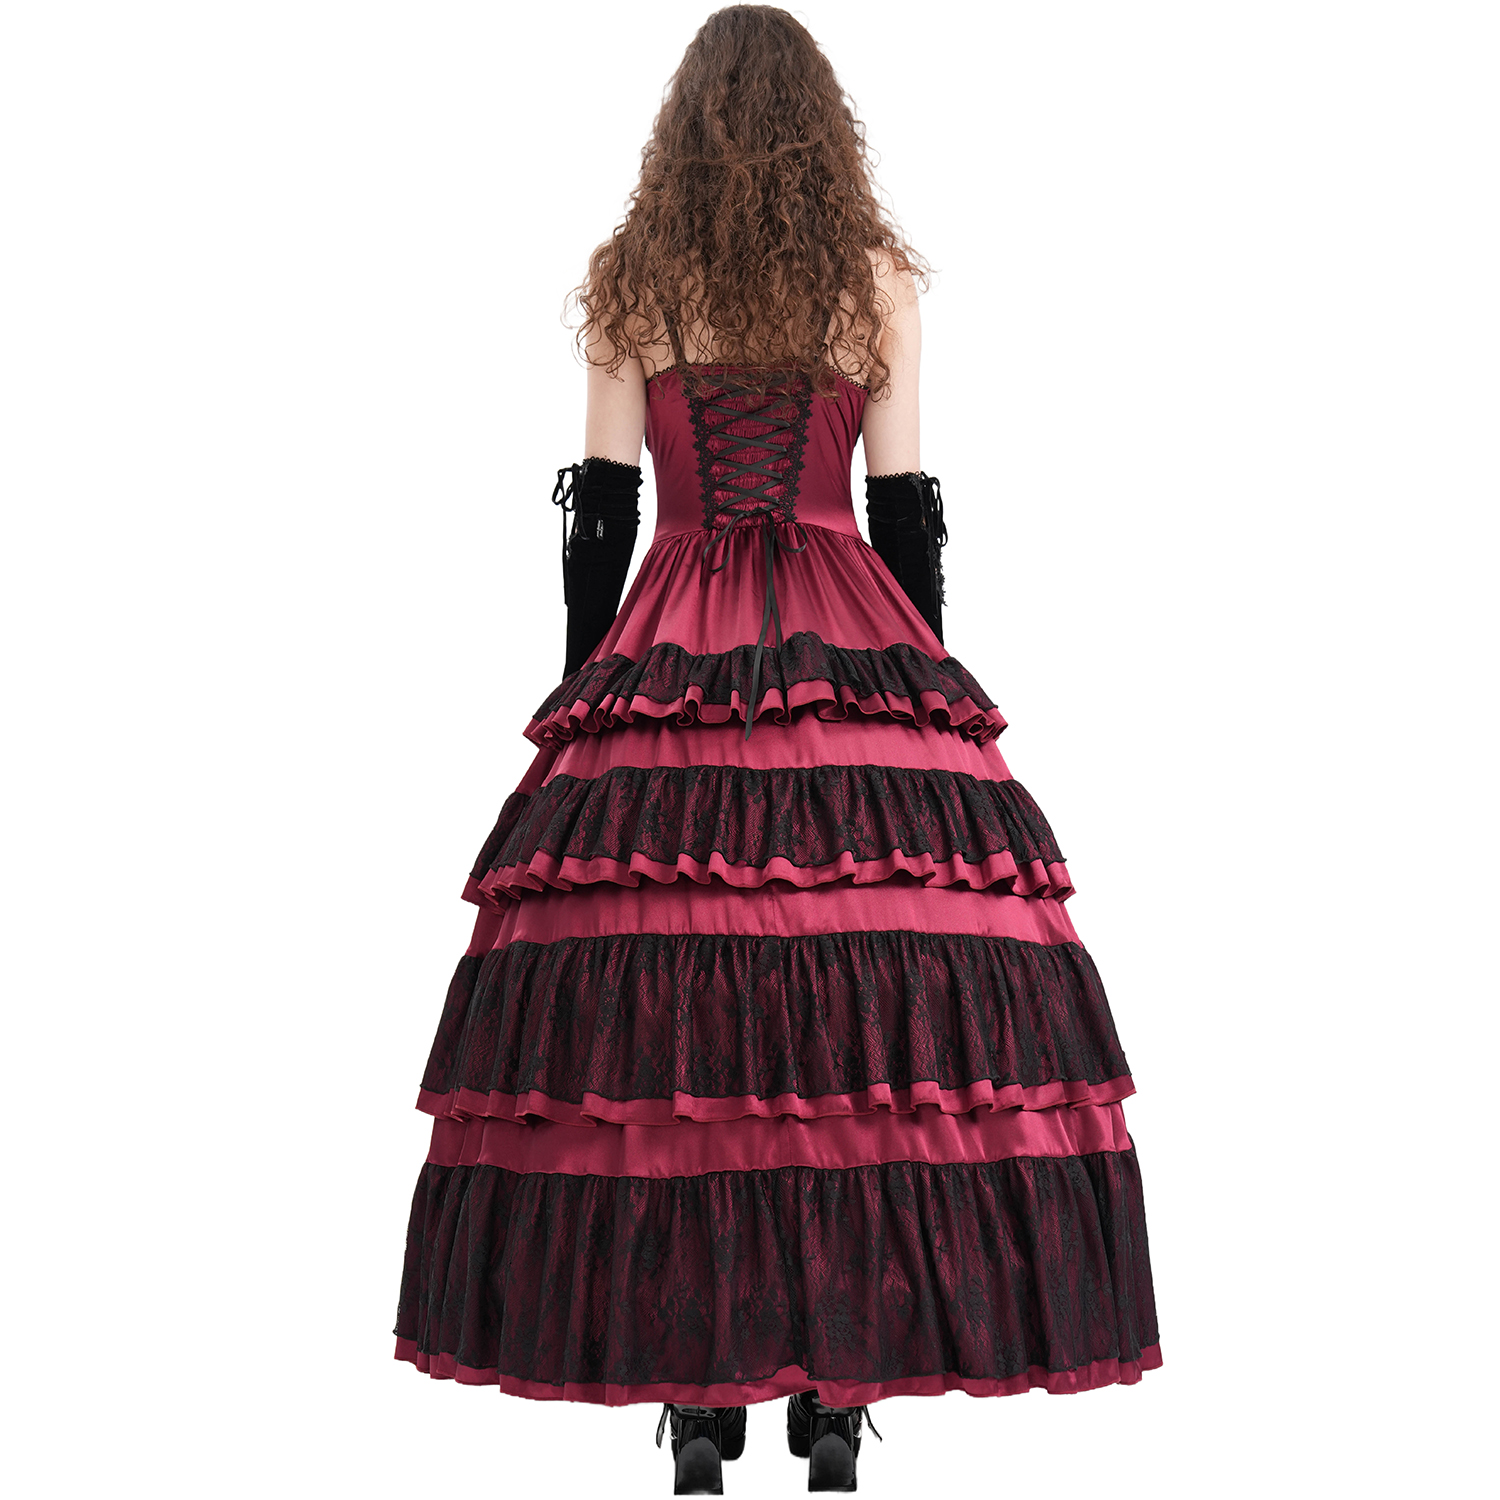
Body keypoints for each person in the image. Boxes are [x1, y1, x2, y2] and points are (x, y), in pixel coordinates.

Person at [394, 6, 1160, 1492]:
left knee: (680, 1026)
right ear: (824, 131)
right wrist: (922, 693)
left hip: (673, 624)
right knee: (860, 1040)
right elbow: (907, 511)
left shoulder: (636, 278)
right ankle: (833, 1397)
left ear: (683, 129)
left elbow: (604, 516)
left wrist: (588, 698)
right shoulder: (872, 279)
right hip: (846, 616)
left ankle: (701, 1410)